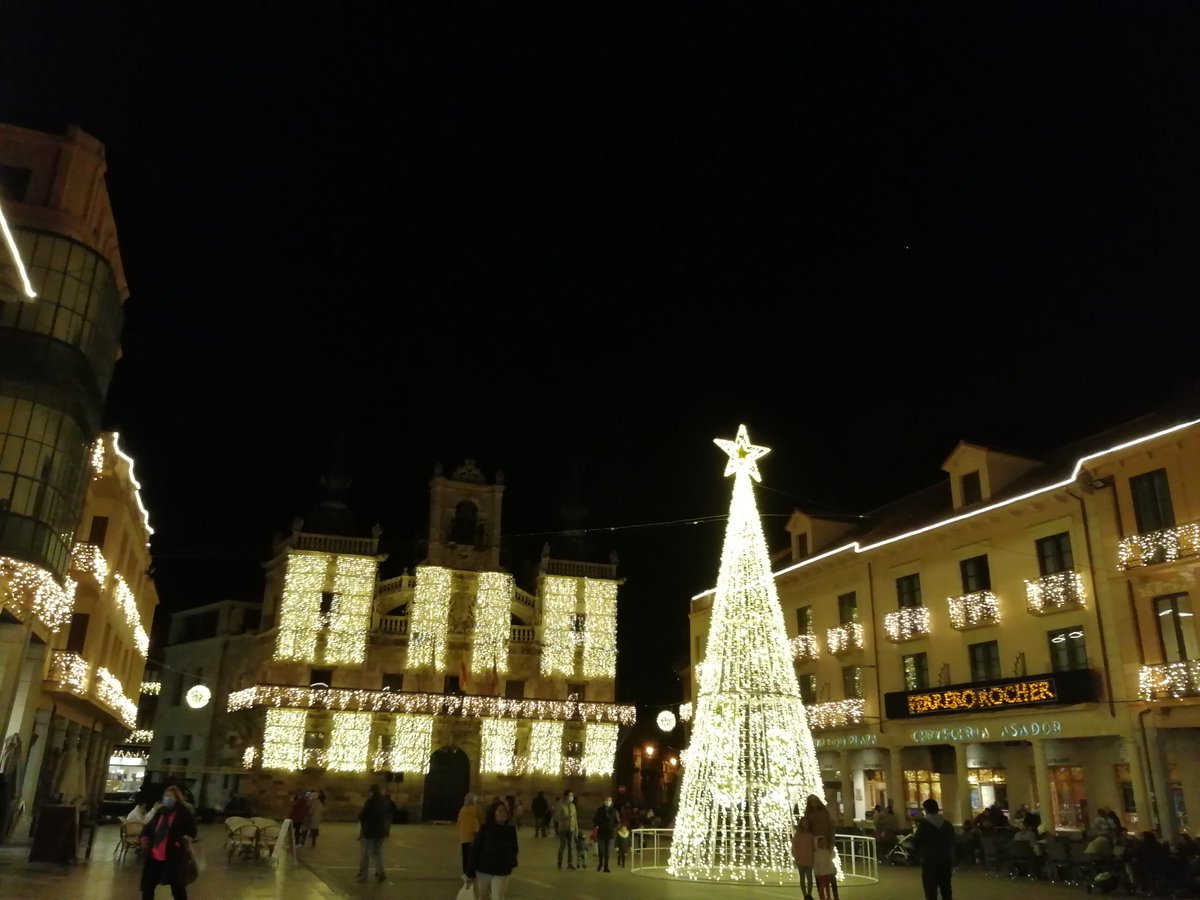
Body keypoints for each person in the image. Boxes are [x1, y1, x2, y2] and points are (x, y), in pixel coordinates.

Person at [139, 785, 197, 900]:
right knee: (148, 885)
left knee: (177, 886)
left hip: (173, 855)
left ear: (176, 798)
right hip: (155, 854)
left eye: (170, 796)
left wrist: (183, 841)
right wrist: (144, 836)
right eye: (166, 796)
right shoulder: (161, 811)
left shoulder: (183, 812)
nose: (167, 798)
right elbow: (149, 826)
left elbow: (192, 830)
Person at [466, 799, 520, 900]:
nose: (503, 814)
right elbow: (474, 849)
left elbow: (514, 848)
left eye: (505, 811)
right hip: (484, 869)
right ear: (493, 813)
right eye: (500, 811)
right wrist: (470, 873)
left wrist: (512, 862)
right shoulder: (485, 829)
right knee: (483, 896)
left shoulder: (510, 830)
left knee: (498, 897)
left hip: (502, 870)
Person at [911, 798, 955, 900]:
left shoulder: (924, 825)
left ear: (926, 810)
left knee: (930, 890)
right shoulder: (947, 824)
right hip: (945, 859)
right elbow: (952, 842)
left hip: (929, 860)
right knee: (946, 889)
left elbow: (916, 841)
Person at [356, 784, 391, 883]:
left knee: (365, 854)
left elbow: (363, 816)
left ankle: (363, 876)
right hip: (381, 831)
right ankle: (380, 872)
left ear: (371, 792)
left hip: (369, 831)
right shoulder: (384, 802)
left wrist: (362, 830)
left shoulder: (370, 802)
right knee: (378, 852)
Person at [457, 792, 482, 876]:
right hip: (473, 835)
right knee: (473, 855)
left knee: (465, 855)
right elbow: (481, 818)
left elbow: (459, 822)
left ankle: (465, 871)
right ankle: (472, 870)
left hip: (464, 836)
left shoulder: (462, 809)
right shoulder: (475, 808)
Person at [593, 795, 619, 872]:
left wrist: (613, 828)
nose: (607, 802)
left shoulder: (614, 811)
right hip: (601, 832)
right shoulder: (600, 810)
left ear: (611, 802)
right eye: (606, 800)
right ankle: (600, 863)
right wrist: (596, 825)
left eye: (609, 800)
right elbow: (595, 819)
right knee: (601, 850)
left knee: (607, 851)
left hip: (610, 834)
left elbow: (617, 822)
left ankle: (606, 866)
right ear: (604, 801)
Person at [792, 816, 816, 900]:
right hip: (800, 859)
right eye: (804, 823)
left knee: (809, 879)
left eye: (807, 823)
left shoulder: (810, 835)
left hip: (809, 859)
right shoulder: (798, 835)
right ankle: (805, 894)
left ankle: (809, 894)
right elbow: (794, 847)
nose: (806, 825)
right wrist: (796, 857)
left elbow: (813, 847)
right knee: (802, 878)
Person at [553, 790, 578, 869]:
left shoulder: (573, 806)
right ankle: (559, 862)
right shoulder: (560, 805)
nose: (571, 797)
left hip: (571, 829)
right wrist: (566, 817)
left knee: (571, 846)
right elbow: (556, 817)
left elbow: (575, 818)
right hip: (563, 829)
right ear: (566, 796)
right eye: (570, 795)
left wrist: (576, 829)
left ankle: (569, 863)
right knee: (563, 846)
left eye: (572, 796)